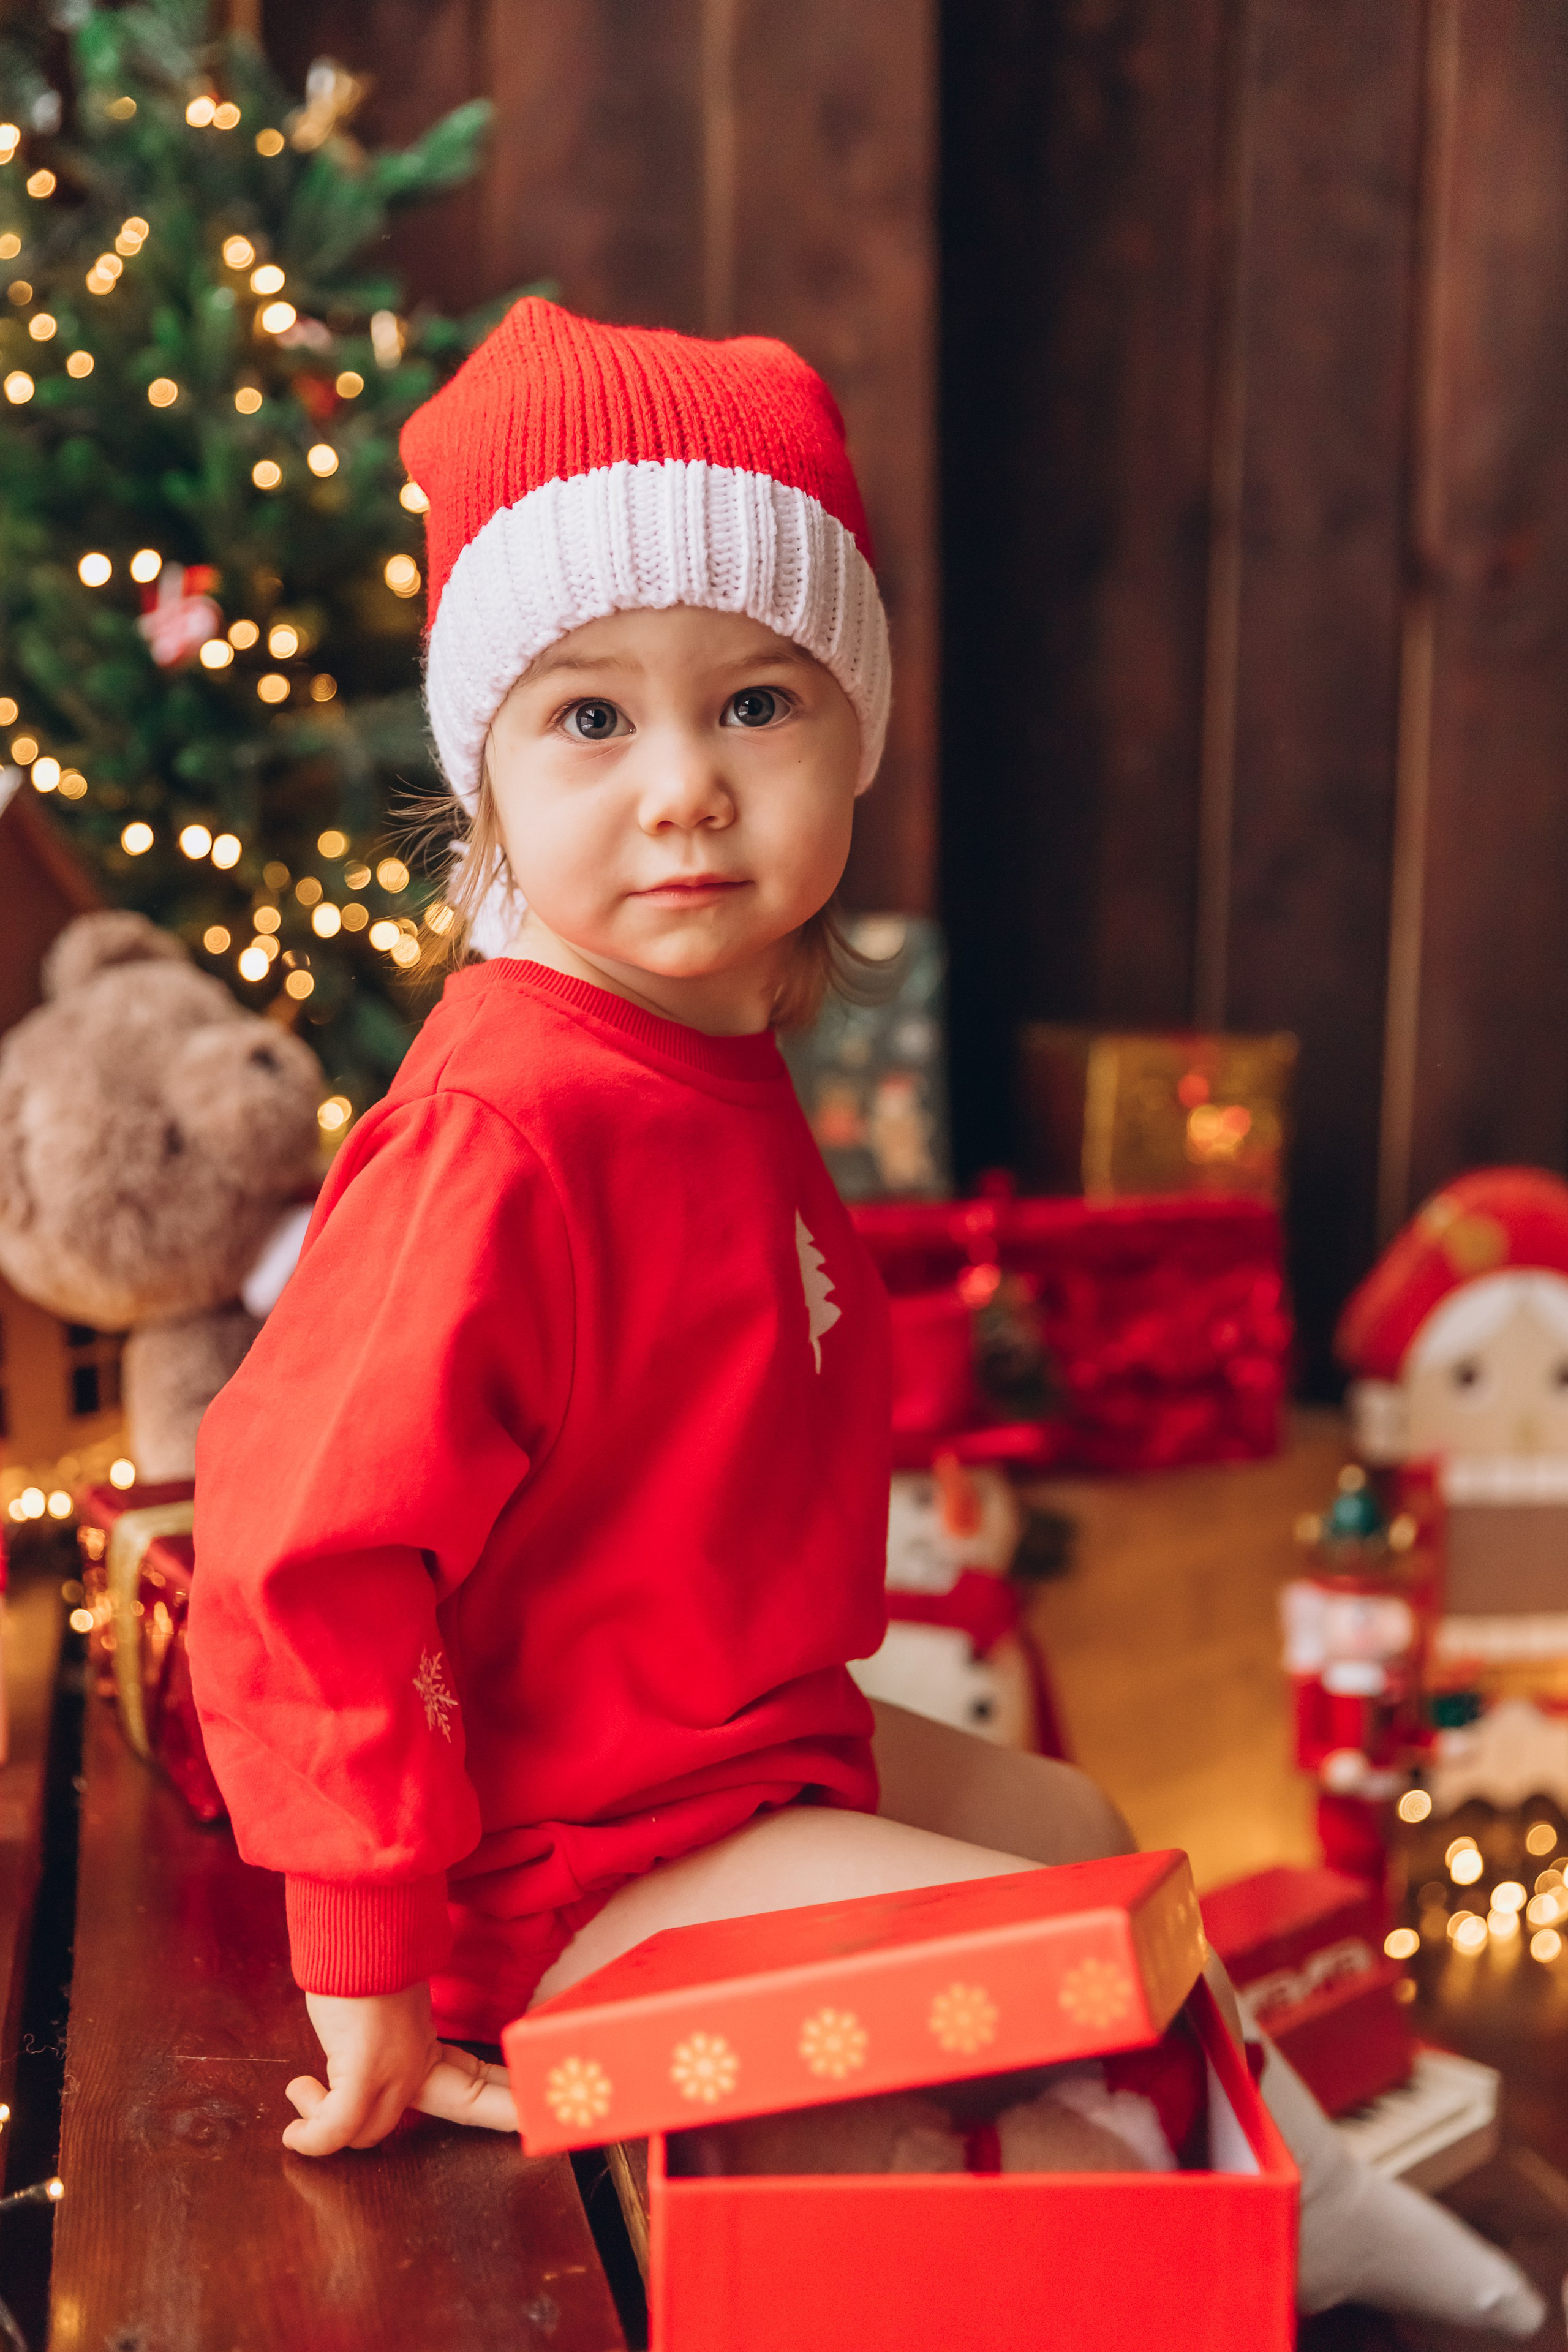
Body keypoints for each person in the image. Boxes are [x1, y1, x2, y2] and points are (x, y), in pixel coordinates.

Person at [190, 300, 1542, 2335]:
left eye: (755, 705)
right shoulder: (501, 1120)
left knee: (1081, 1831)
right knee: (1034, 1959)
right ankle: (1187, 2231)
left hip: (729, 1756)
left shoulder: (706, 1064)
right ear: (482, 766)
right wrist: (364, 1940)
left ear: (857, 738)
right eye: (590, 720)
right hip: (553, 1858)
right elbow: (301, 1538)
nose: (683, 794)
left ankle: (1305, 2185)